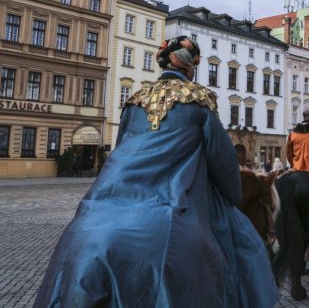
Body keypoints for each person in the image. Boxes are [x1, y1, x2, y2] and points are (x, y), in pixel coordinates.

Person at [34, 36, 278, 308]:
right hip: (169, 205)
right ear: (190, 68)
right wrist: (232, 197)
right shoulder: (200, 100)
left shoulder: (134, 101)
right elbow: (224, 165)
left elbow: (119, 152)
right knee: (244, 245)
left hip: (107, 200)